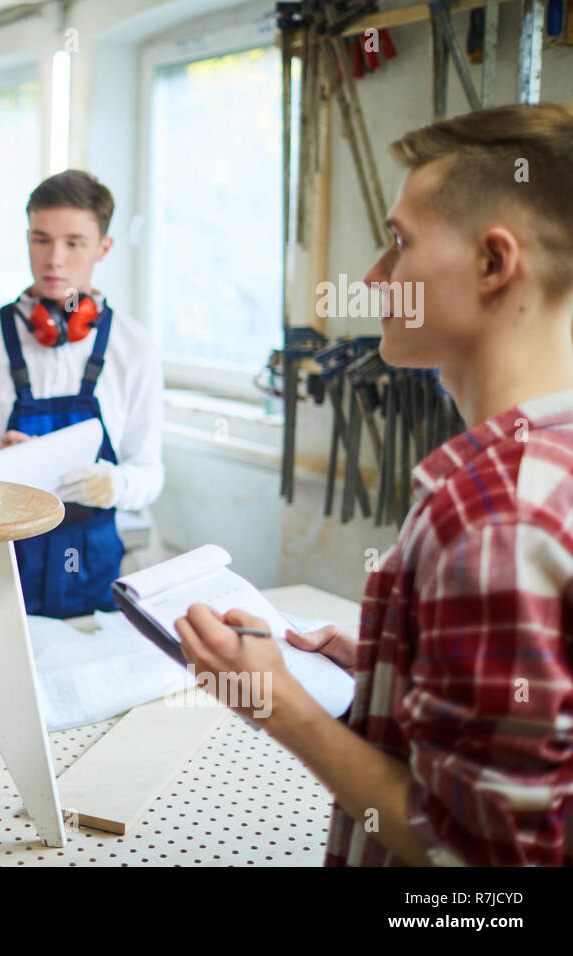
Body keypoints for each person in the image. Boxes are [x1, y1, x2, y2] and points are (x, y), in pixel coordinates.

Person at [176, 103, 573, 866]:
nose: (373, 276)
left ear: (494, 263)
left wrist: (280, 704)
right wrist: (401, 667)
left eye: (399, 241)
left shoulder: (490, 518)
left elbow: (479, 865)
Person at [0, 170, 163, 618]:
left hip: (92, 575)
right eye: (41, 240)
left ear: (104, 247)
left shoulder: (134, 348)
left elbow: (150, 471)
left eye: (74, 243)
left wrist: (116, 483)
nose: (54, 259)